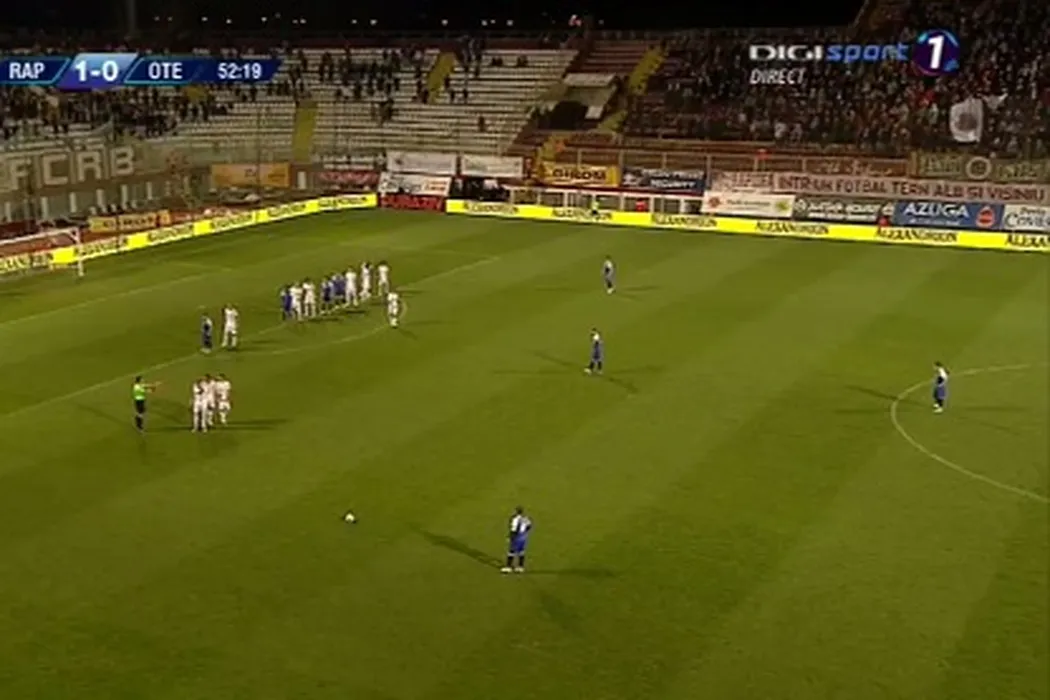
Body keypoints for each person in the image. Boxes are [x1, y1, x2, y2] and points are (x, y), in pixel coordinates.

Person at [501, 506, 532, 573]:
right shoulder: (526, 518)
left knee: (511, 551)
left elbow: (514, 529)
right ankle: (520, 567)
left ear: (516, 511)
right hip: (523, 537)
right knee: (521, 551)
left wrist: (510, 537)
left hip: (516, 537)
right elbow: (529, 526)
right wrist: (525, 533)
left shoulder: (514, 519)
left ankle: (508, 567)